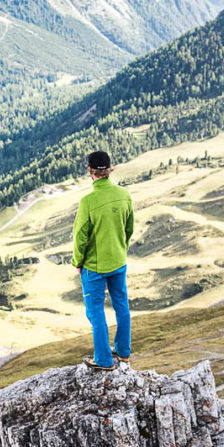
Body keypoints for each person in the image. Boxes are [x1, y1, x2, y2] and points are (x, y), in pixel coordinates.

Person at [72, 150, 135, 370]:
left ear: (90, 170)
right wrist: (120, 249)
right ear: (109, 169)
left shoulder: (88, 201)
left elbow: (80, 237)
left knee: (96, 311)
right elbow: (129, 228)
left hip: (94, 267)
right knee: (121, 305)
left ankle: (104, 360)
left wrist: (77, 262)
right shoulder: (124, 195)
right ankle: (124, 353)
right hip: (118, 262)